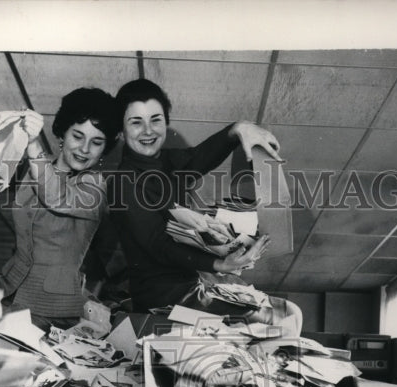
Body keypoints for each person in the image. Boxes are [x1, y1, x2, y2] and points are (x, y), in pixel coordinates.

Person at [108, 78, 301, 335]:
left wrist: (237, 129)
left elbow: (198, 158)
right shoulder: (123, 182)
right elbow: (158, 244)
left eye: (155, 120)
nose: (148, 130)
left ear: (165, 123)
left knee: (288, 314)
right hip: (165, 302)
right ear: (121, 131)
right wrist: (219, 265)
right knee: (281, 318)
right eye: (136, 122)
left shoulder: (166, 162)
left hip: (191, 288)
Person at [0, 88, 120, 329]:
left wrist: (32, 143)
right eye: (77, 136)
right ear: (62, 133)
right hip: (8, 288)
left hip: (51, 307)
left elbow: (55, 196)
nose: (85, 149)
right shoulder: (34, 168)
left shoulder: (95, 186)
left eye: (96, 142)